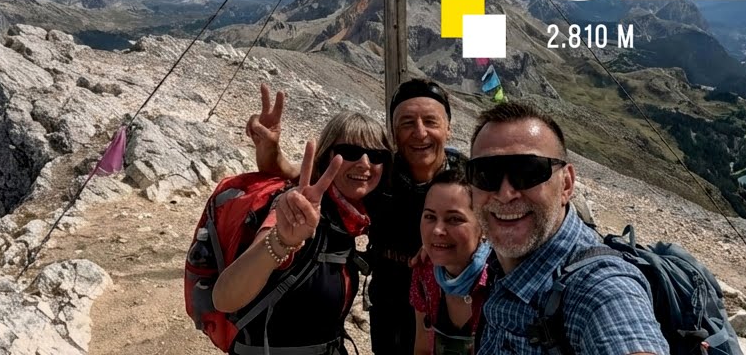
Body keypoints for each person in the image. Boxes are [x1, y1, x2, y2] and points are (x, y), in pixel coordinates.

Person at [247, 79, 462, 355]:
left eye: (431, 122)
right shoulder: (378, 174)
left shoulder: (469, 180)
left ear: (448, 128)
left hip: (456, 311)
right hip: (390, 314)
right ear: (394, 134)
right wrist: (269, 148)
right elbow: (302, 176)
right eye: (407, 123)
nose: (420, 133)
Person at [466, 101, 668, 355]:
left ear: (567, 184)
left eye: (529, 171)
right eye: (486, 173)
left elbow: (620, 321)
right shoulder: (497, 261)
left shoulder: (599, 287)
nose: (505, 193)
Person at [214, 111, 391, 355]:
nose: (364, 163)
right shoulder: (298, 209)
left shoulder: (350, 217)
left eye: (377, 155)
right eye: (349, 152)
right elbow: (225, 298)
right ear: (326, 156)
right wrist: (282, 241)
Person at [410, 167, 492, 355]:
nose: (438, 230)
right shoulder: (425, 270)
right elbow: (422, 348)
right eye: (430, 216)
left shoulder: (500, 280)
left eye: (454, 219)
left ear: (483, 226)